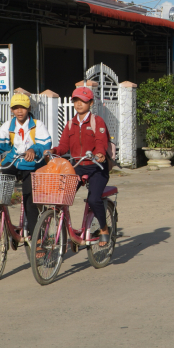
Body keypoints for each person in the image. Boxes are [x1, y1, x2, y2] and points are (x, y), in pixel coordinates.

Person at [0, 92, 51, 242]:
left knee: (29, 200)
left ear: (29, 108)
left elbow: (45, 144)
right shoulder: (8, 125)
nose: (19, 111)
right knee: (0, 178)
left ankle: (37, 239)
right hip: (14, 161)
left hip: (31, 164)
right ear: (11, 109)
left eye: (23, 107)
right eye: (15, 107)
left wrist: (34, 150)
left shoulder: (37, 125)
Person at [51, 87, 112, 247]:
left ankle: (104, 229)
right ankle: (68, 232)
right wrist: (54, 151)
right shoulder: (71, 124)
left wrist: (99, 153)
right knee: (61, 197)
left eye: (83, 101)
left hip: (97, 166)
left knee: (93, 199)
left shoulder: (96, 121)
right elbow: (64, 146)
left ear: (90, 103)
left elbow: (101, 142)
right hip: (78, 166)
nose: (79, 104)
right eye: (76, 101)